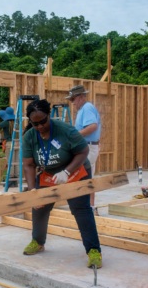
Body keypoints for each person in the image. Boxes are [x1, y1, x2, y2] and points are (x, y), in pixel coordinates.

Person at [22, 99, 102, 269]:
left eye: (43, 121)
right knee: (39, 206)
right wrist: (32, 190)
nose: (40, 126)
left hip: (75, 170)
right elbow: (28, 164)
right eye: (35, 123)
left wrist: (66, 172)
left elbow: (83, 151)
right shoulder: (29, 137)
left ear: (48, 116)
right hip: (50, 174)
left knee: (81, 209)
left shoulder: (65, 130)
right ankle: (38, 241)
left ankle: (93, 250)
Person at [66, 85, 101, 215]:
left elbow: (92, 126)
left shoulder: (87, 108)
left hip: (87, 147)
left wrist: (75, 136)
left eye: (73, 99)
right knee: (86, 175)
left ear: (81, 97)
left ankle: (89, 207)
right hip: (88, 146)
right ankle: (88, 206)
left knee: (85, 176)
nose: (72, 102)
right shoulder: (83, 109)